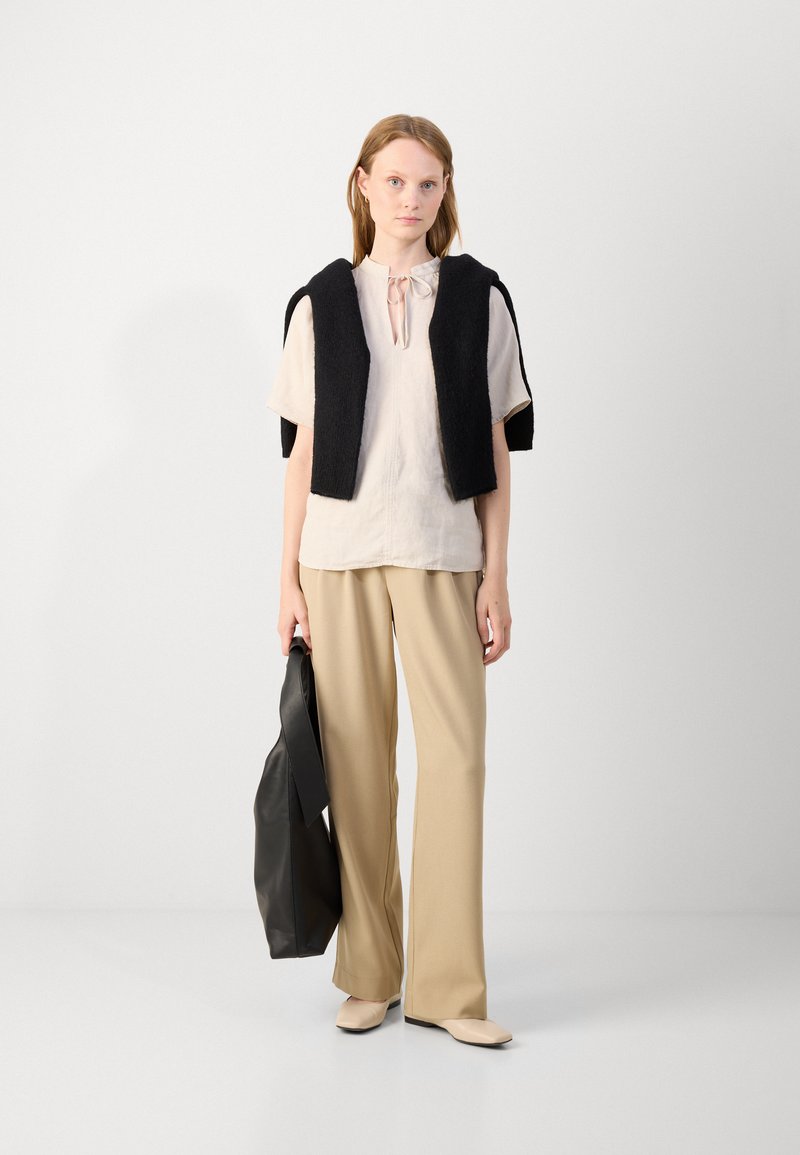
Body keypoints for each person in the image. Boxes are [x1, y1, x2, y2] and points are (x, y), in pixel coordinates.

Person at [266, 114, 532, 1048]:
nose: (411, 199)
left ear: (445, 190)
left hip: (443, 549)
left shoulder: (478, 297)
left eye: (428, 183)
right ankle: (370, 974)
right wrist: (286, 579)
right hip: (335, 553)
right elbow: (300, 454)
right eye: (395, 180)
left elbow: (496, 449)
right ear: (363, 184)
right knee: (355, 764)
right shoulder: (320, 302)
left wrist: (497, 575)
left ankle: (450, 988)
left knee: (456, 759)